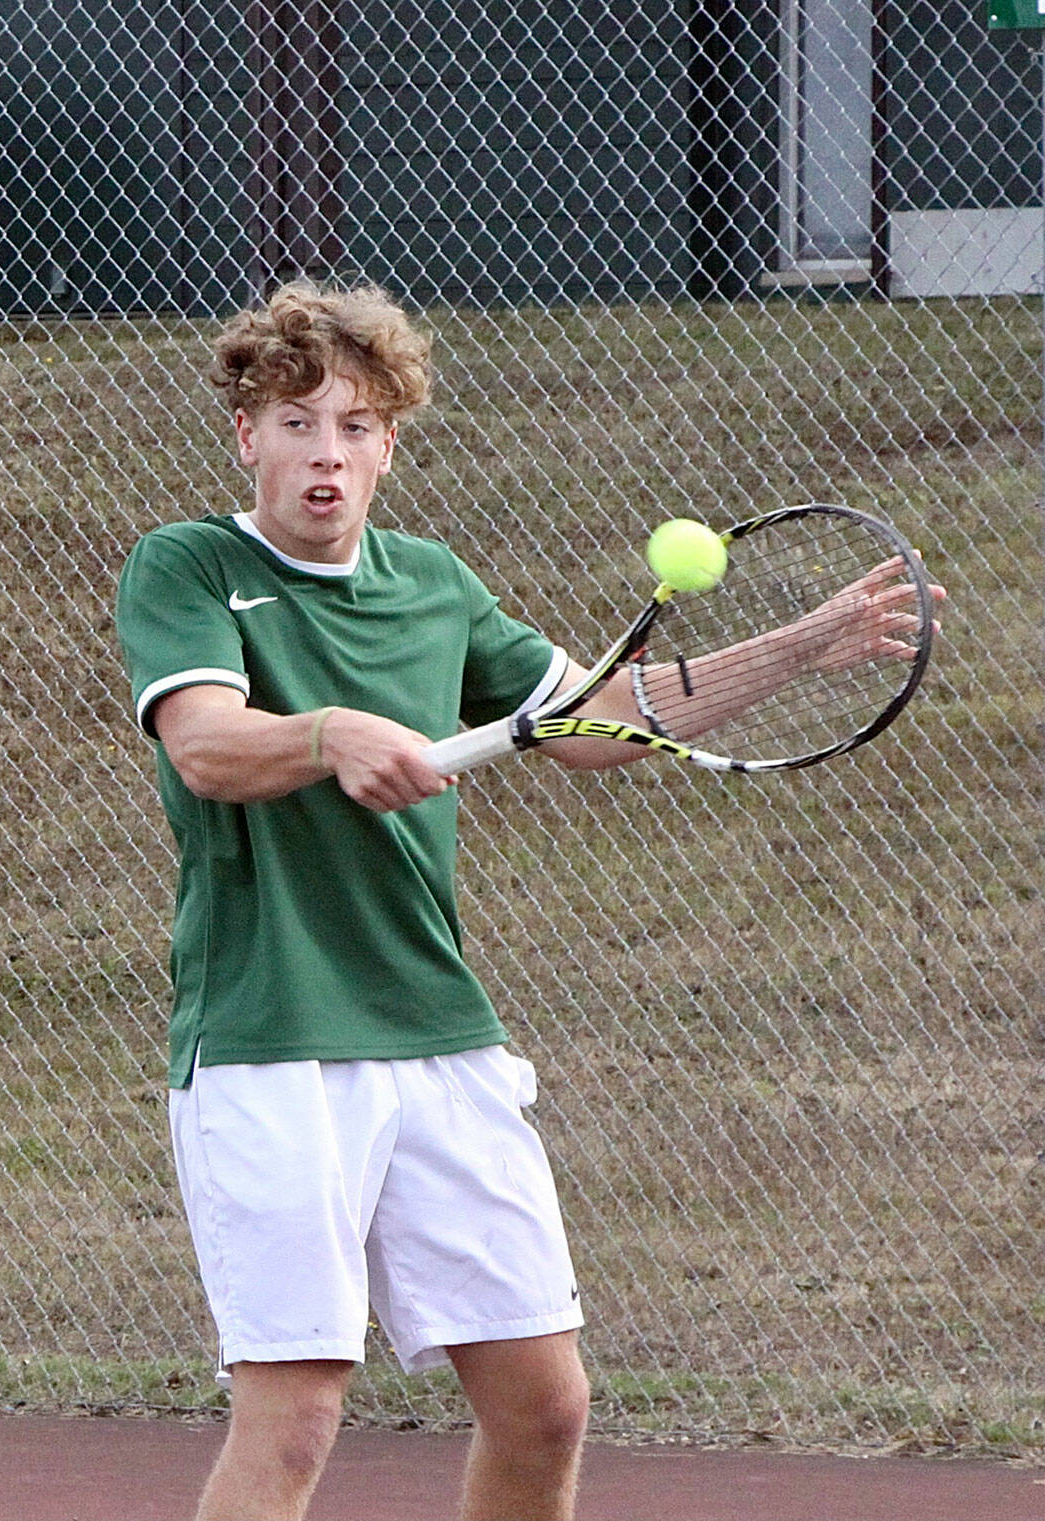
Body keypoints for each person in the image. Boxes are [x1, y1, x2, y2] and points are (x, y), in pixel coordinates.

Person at [114, 282, 941, 1521]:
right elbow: (206, 747)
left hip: (438, 1037)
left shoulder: (434, 586)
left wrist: (795, 648)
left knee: (543, 1405)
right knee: (292, 1421)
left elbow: (596, 724)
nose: (323, 453)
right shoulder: (188, 565)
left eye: (353, 425)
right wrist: (333, 734)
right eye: (295, 423)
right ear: (247, 436)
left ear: (390, 442)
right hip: (268, 1040)